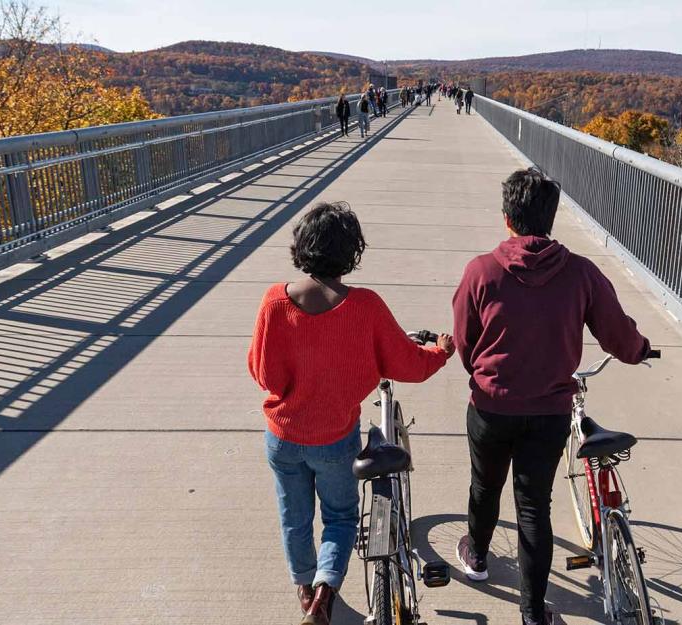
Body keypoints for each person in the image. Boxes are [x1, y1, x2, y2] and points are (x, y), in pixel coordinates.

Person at [452, 168, 652, 625]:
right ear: (551, 219)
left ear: (507, 218)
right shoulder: (581, 273)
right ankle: (531, 613)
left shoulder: (480, 271)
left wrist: (483, 373)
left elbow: (465, 341)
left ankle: (477, 556)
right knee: (533, 505)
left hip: (490, 406)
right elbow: (619, 336)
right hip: (549, 411)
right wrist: (639, 350)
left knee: (485, 487)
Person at [249, 201, 455, 625]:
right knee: (341, 517)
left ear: (302, 246)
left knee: (294, 517)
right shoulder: (365, 306)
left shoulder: (274, 302)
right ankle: (326, 592)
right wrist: (441, 351)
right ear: (351, 253)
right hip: (334, 438)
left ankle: (305, 591)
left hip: (284, 437)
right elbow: (408, 365)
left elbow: (263, 374)